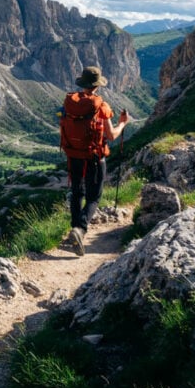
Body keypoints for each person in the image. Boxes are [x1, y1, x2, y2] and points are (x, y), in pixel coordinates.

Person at [61, 66, 129, 256]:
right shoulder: (102, 106)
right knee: (94, 196)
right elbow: (111, 135)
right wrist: (123, 123)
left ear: (82, 84)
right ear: (97, 85)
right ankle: (80, 229)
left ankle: (74, 230)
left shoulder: (70, 102)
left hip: (73, 154)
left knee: (76, 192)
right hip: (94, 156)